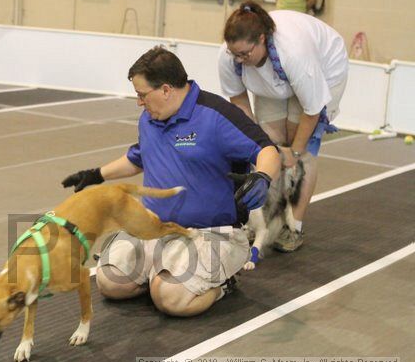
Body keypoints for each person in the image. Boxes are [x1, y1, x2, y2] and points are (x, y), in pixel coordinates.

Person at [61, 47, 280, 317]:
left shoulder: (216, 115)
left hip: (211, 233)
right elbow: (139, 157)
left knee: (170, 299)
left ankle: (222, 283)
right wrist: (96, 174)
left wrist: (262, 177)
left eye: (142, 95)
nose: (139, 103)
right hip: (154, 227)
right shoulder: (151, 118)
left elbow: (267, 150)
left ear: (166, 89)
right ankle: (163, 277)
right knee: (109, 283)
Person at [218, 1, 348, 252]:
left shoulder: (295, 53)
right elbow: (239, 101)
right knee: (269, 146)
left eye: (246, 54)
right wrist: (263, 146)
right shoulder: (230, 56)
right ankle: (263, 219)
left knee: (301, 152)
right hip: (271, 79)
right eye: (236, 55)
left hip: (324, 68)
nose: (240, 59)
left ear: (262, 39)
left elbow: (311, 111)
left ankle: (293, 227)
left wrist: (294, 152)